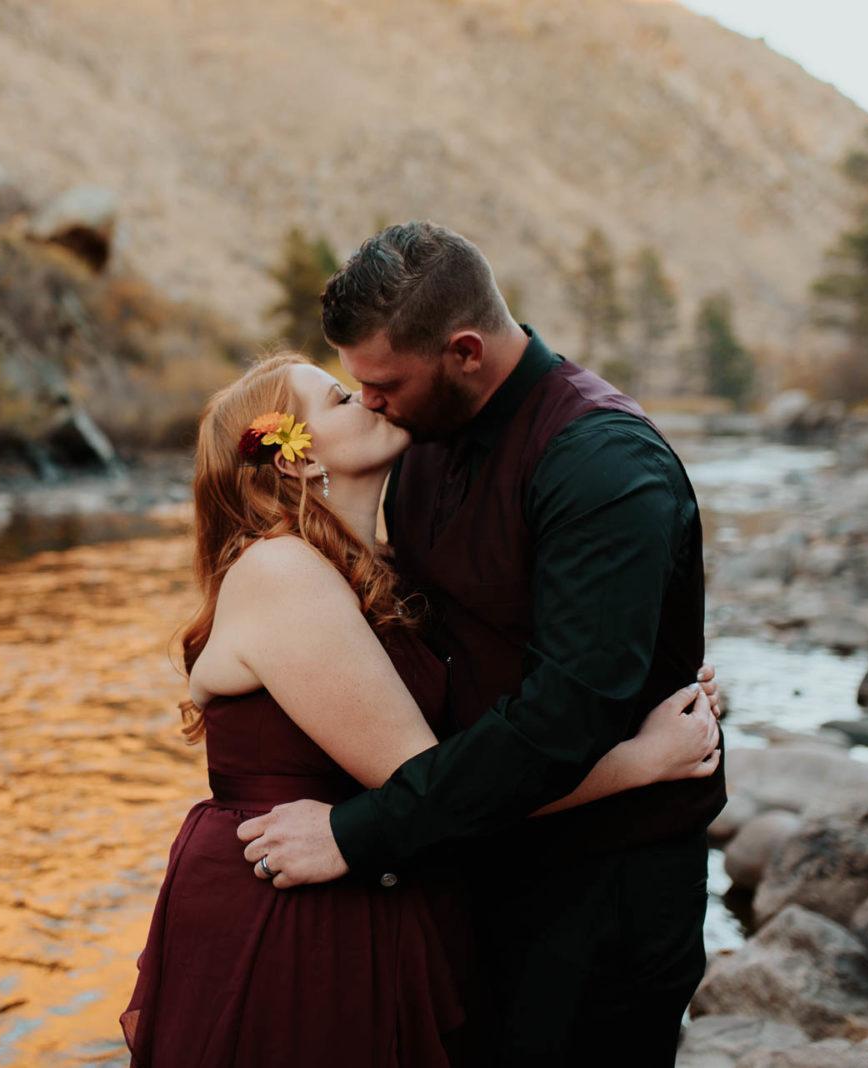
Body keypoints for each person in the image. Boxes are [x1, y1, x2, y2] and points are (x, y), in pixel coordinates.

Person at [122, 351, 723, 1066]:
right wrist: (643, 760)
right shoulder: (283, 572)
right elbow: (431, 780)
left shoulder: (378, 569)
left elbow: (484, 702)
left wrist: (633, 683)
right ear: (294, 460)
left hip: (373, 887)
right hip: (285, 905)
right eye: (341, 399)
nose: (370, 399)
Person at [236, 222, 728, 1066]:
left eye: (384, 384)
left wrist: (357, 833)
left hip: (601, 886)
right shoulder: (420, 441)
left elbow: (563, 719)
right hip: (469, 859)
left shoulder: (601, 463)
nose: (370, 403)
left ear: (464, 351)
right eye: (357, 386)